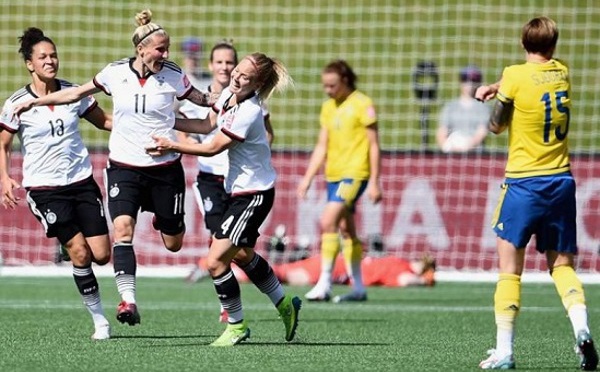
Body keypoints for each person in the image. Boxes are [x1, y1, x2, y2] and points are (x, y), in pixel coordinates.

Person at [11, 9, 217, 328]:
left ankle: (101, 259)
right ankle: (127, 302)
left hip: (164, 170)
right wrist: (35, 103)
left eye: (167, 48)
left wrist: (228, 96)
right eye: (160, 48)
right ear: (141, 49)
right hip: (121, 168)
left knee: (171, 243)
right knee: (120, 232)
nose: (165, 54)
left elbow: (203, 101)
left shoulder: (174, 75)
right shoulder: (114, 73)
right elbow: (78, 92)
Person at [148, 52, 301, 347]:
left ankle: (236, 325)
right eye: (238, 71)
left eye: (246, 76)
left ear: (257, 84)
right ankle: (284, 303)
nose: (237, 77)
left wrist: (172, 144)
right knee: (241, 254)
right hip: (238, 192)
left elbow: (213, 147)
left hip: (254, 194)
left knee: (216, 260)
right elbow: (207, 126)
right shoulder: (229, 95)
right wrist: (170, 120)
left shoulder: (250, 111)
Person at [475, 16, 598, 370]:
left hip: (523, 183)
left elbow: (496, 126)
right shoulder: (562, 72)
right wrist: (497, 86)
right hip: (560, 182)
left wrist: (497, 94)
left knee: (510, 271)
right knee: (562, 267)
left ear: (521, 41)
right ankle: (582, 331)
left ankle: (504, 351)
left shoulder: (514, 75)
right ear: (554, 44)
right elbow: (532, 77)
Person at [0, 28, 113, 340]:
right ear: (30, 64)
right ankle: (100, 321)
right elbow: (4, 143)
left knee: (101, 254)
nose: (50, 61)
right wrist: (5, 177)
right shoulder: (17, 103)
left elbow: (103, 121)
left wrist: (139, 124)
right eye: (43, 57)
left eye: (53, 55)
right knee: (80, 252)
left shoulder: (73, 93)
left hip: (81, 181)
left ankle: (70, 248)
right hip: (45, 190)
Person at [297, 59, 382, 303]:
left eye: (332, 85)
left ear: (345, 81)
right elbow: (321, 146)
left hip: (355, 173)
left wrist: (375, 181)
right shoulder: (328, 107)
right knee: (346, 229)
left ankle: (324, 283)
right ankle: (358, 287)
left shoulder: (363, 104)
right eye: (325, 86)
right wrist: (308, 178)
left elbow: (374, 145)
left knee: (327, 220)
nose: (328, 90)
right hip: (333, 175)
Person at [193, 252, 436, 288]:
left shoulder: (397, 259)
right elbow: (405, 280)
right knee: (277, 275)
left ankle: (215, 264)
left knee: (278, 270)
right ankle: (218, 268)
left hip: (329, 261)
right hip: (328, 269)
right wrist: (425, 282)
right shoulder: (401, 269)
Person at [436, 65, 490, 153]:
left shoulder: (483, 108)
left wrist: (466, 147)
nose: (470, 84)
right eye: (466, 79)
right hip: (452, 152)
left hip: (475, 154)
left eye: (474, 80)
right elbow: (442, 131)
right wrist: (446, 147)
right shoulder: (450, 107)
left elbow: (482, 132)